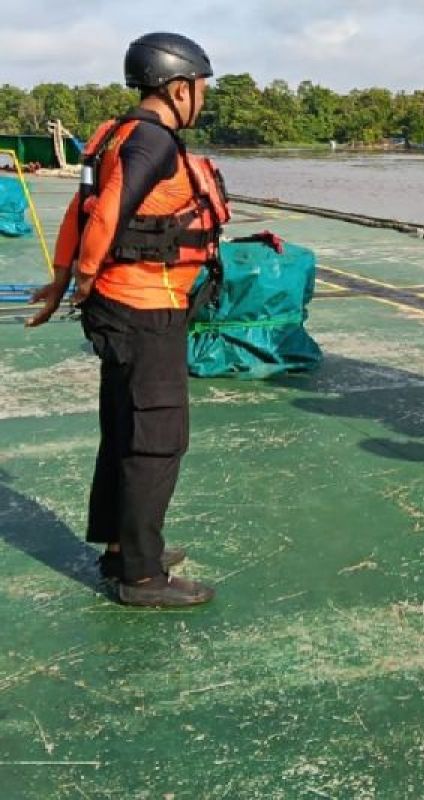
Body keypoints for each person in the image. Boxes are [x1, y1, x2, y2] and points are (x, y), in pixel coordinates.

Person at [27, 32, 229, 606]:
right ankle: (141, 575)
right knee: (157, 440)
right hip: (143, 307)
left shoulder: (117, 134)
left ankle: (122, 547)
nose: (203, 100)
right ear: (178, 87)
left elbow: (80, 206)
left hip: (118, 307)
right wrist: (84, 274)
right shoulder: (154, 143)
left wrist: (66, 276)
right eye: (200, 89)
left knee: (124, 428)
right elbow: (111, 209)